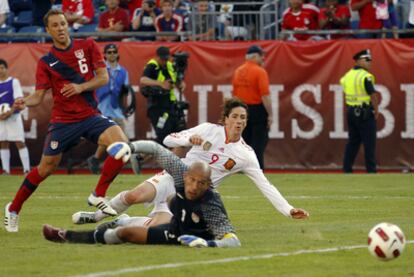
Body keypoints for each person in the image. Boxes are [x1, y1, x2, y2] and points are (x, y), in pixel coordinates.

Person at [72, 98, 309, 226]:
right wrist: (187, 139)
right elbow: (167, 139)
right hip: (175, 175)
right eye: (234, 116)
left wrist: (288, 210)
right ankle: (94, 217)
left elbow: (265, 185)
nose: (239, 121)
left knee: (157, 226)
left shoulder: (246, 154)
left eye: (243, 118)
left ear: (246, 122)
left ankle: (123, 222)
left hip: (194, 195)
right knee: (134, 196)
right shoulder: (208, 130)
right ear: (225, 119)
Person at [3, 9, 129, 233]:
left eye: (63, 23)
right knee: (45, 169)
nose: (60, 28)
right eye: (55, 25)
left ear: (67, 25)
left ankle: (98, 194)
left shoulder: (87, 45)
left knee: (122, 146)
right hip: (63, 121)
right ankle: (13, 209)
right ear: (49, 30)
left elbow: (103, 77)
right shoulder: (46, 62)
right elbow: (39, 96)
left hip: (90, 115)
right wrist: (24, 102)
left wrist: (80, 87)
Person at [44, 140, 241, 248]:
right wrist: (131, 147)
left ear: (209, 185)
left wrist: (207, 244)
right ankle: (68, 236)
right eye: (192, 180)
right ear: (186, 176)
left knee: (132, 228)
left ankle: (122, 220)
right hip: (174, 231)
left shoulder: (211, 203)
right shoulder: (181, 176)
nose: (194, 186)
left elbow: (233, 240)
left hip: (183, 237)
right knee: (125, 232)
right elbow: (157, 149)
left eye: (201, 183)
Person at [87, 43, 129, 174]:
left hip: (116, 108)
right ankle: (107, 165)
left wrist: (125, 108)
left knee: (121, 138)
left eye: (114, 52)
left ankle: (96, 159)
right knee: (112, 138)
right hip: (101, 107)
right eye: (109, 52)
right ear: (104, 54)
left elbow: (125, 92)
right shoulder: (99, 69)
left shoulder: (123, 72)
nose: (111, 54)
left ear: (117, 54)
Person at [232, 45, 272, 170]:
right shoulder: (260, 71)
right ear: (255, 56)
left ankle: (243, 168)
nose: (263, 58)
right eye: (261, 56)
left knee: (244, 141)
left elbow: (235, 94)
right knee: (259, 142)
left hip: (242, 109)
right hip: (257, 110)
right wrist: (270, 113)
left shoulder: (238, 71)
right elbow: (265, 95)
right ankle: (257, 168)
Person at [340, 49, 379, 173]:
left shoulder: (347, 76)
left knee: (353, 142)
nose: (369, 62)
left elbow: (345, 92)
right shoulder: (365, 76)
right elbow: (372, 95)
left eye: (370, 60)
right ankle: (371, 171)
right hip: (365, 112)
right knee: (369, 143)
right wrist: (376, 110)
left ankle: (346, 170)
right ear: (357, 61)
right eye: (366, 60)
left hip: (351, 111)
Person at [140, 46, 186, 145]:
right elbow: (143, 80)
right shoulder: (152, 65)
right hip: (157, 107)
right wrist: (161, 83)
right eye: (162, 59)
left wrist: (181, 83)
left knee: (176, 133)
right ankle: (142, 156)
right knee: (162, 135)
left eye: (166, 59)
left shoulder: (170, 65)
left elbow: (176, 80)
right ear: (157, 57)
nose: (164, 61)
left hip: (170, 106)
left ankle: (170, 158)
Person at [0, 59, 30, 175]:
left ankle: (26, 170)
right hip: (1, 119)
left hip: (14, 117)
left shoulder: (14, 82)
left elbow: (18, 100)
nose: (0, 71)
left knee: (19, 142)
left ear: (6, 69)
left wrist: (10, 112)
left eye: (2, 68)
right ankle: (6, 170)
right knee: (2, 142)